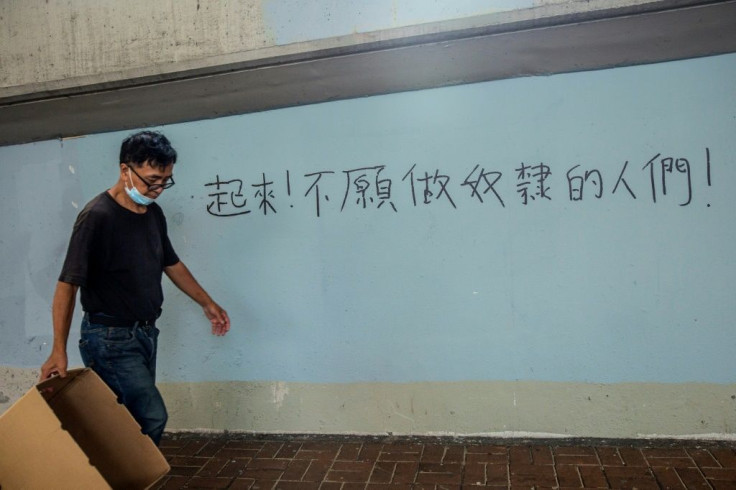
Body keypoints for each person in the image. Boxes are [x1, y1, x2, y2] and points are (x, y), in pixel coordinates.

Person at [39, 130, 230, 445]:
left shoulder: (152, 213)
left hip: (144, 334)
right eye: (152, 179)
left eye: (165, 180)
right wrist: (58, 349)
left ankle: (112, 475)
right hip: (110, 339)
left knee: (127, 420)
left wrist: (207, 304)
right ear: (125, 169)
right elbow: (67, 286)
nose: (158, 189)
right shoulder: (96, 217)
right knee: (151, 417)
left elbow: (171, 264)